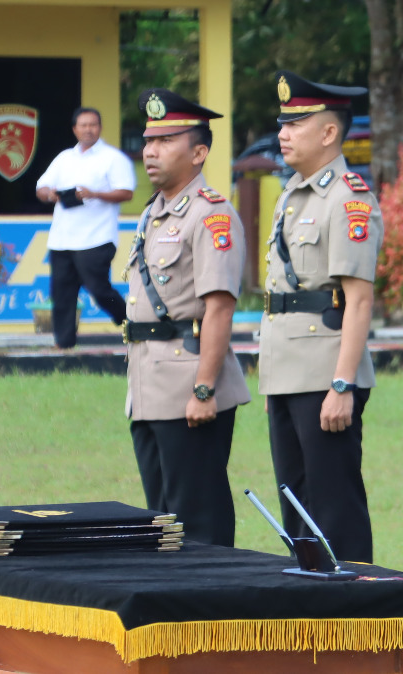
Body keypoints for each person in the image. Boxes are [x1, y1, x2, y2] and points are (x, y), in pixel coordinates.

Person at [259, 71, 381, 562]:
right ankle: (310, 615)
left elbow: (359, 300)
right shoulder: (292, 193)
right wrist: (274, 381)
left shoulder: (348, 197)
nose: (283, 133)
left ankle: (356, 620)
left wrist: (342, 384)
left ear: (329, 133)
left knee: (334, 507)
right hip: (288, 372)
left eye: (296, 123)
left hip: (327, 372)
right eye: (282, 124)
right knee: (297, 509)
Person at [122, 89, 249, 546]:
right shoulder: (153, 214)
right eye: (148, 140)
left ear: (198, 152)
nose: (150, 151)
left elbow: (218, 308)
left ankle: (212, 614)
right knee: (163, 525)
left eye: (165, 140)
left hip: (189, 390)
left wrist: (203, 389)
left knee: (199, 521)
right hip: (149, 386)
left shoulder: (211, 215)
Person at [34, 106, 135, 347]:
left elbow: (126, 192)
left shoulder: (113, 158)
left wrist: (94, 194)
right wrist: (51, 194)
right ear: (74, 129)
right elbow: (41, 187)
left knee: (99, 289)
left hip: (97, 237)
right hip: (62, 238)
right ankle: (64, 344)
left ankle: (131, 323)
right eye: (83, 125)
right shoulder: (64, 158)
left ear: (100, 128)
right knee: (62, 294)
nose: (88, 129)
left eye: (93, 125)